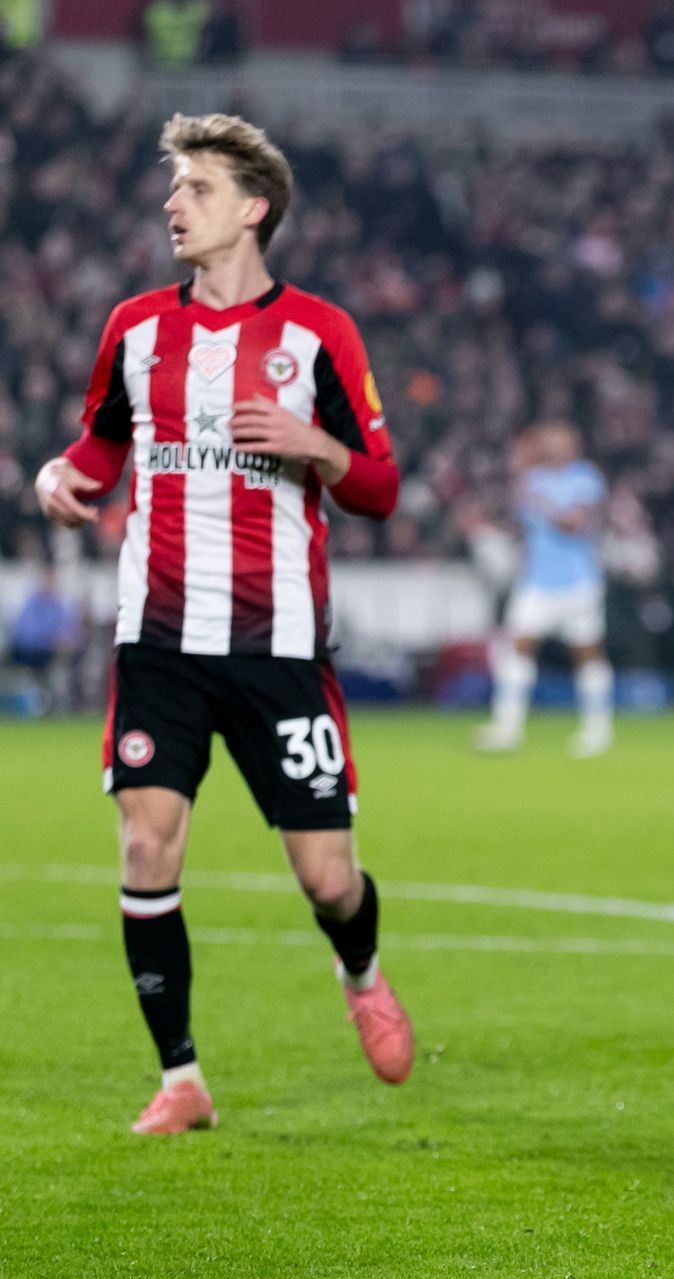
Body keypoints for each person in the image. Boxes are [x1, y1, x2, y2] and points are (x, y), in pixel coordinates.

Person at [32, 113, 413, 1135]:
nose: (173, 204)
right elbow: (100, 450)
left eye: (195, 188)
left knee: (328, 876)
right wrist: (58, 476)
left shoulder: (320, 335)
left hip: (278, 645)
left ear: (253, 209)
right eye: (173, 188)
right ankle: (182, 1077)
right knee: (147, 844)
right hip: (156, 637)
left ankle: (361, 965)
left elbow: (378, 489)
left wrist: (314, 445)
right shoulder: (134, 328)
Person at [475, 421, 614, 758]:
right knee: (517, 648)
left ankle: (597, 729)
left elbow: (575, 524)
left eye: (562, 441)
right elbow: (527, 530)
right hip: (537, 582)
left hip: (578, 582)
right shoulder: (532, 480)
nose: (556, 447)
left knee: (586, 653)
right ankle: (507, 728)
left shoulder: (585, 478)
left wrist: (541, 501)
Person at [4, 565, 84, 714]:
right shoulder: (31, 604)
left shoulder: (59, 606)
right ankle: (40, 702)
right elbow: (26, 634)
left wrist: (67, 640)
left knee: (76, 658)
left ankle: (62, 705)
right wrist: (50, 641)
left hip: (54, 653)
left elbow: (72, 631)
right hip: (32, 652)